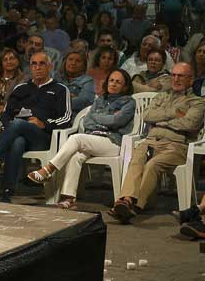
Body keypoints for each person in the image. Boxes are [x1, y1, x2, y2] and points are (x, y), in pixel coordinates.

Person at [109, 63, 205, 224]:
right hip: (151, 141)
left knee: (153, 164)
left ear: (191, 79)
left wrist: (161, 120)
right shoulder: (161, 96)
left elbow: (189, 124)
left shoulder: (198, 101)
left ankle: (133, 205)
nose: (176, 79)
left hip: (175, 145)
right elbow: (147, 115)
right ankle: (126, 200)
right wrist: (174, 113)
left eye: (181, 76)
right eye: (173, 75)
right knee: (136, 158)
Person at [26, 69, 136, 209]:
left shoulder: (129, 102)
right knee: (76, 156)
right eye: (111, 80)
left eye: (118, 82)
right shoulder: (100, 100)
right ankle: (68, 199)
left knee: (77, 138)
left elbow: (117, 121)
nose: (113, 84)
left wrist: (98, 118)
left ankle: (48, 170)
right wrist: (105, 119)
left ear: (125, 86)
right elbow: (87, 122)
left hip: (112, 141)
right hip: (93, 139)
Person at [0, 51, 72, 203]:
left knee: (17, 124)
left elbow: (66, 118)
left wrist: (44, 124)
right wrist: (9, 128)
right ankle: (7, 193)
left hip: (43, 137)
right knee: (17, 141)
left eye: (42, 64)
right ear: (30, 67)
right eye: (34, 64)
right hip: (17, 134)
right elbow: (5, 114)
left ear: (50, 66)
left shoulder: (60, 89)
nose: (37, 67)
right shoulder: (21, 88)